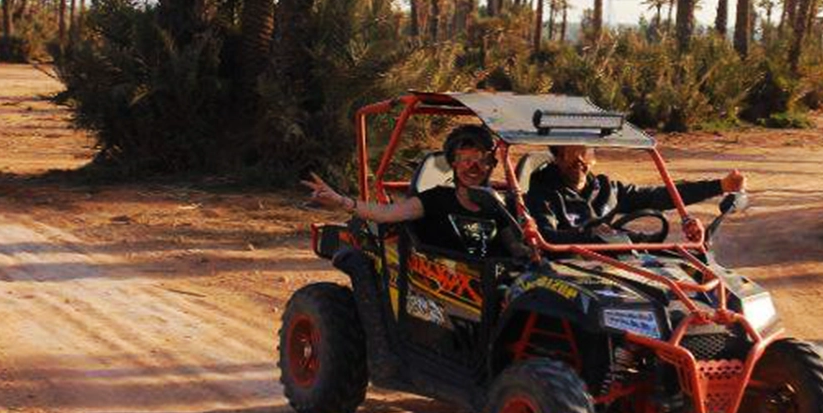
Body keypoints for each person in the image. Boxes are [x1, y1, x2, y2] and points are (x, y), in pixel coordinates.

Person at [302, 123, 518, 258]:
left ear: (491, 165)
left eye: (481, 161)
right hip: (442, 293)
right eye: (465, 160)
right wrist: (341, 201)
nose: (473, 168)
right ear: (453, 163)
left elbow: (514, 246)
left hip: (489, 288)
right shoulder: (436, 199)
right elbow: (386, 214)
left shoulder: (496, 204)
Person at [524, 144, 746, 244]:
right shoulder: (542, 193)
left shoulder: (607, 189)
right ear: (557, 157)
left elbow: (660, 196)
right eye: (569, 153)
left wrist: (720, 186)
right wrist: (592, 235)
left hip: (613, 264)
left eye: (584, 151)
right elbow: (546, 237)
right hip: (566, 270)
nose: (579, 160)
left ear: (594, 157)